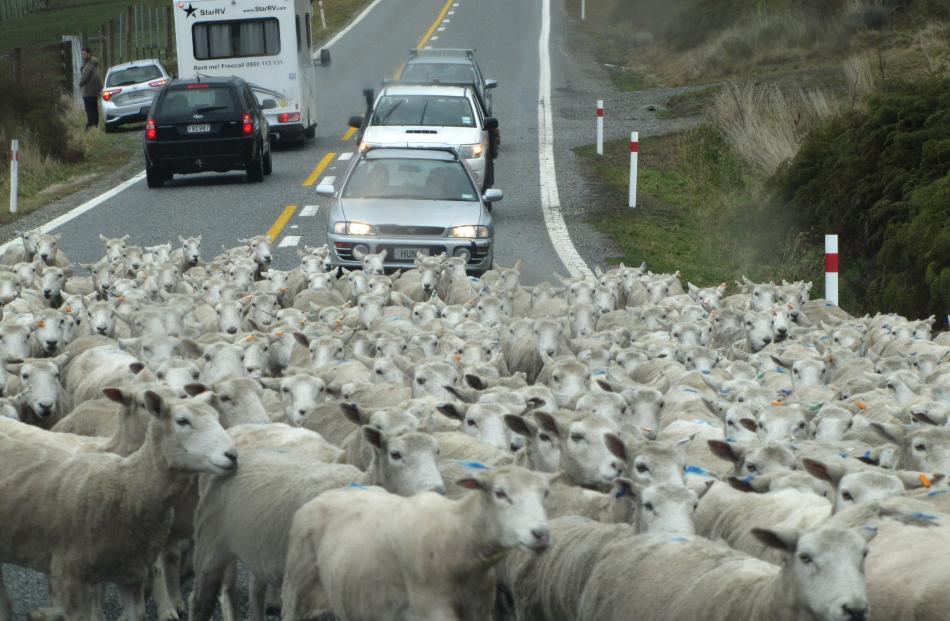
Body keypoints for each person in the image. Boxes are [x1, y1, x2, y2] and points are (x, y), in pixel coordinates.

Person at [79, 47, 102, 130]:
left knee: (90, 112)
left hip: (88, 92)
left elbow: (84, 78)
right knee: (94, 111)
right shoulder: (94, 64)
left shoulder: (89, 65)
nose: (83, 56)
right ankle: (95, 126)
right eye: (82, 54)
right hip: (95, 92)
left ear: (89, 54)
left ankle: (89, 128)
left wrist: (79, 84)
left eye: (84, 54)